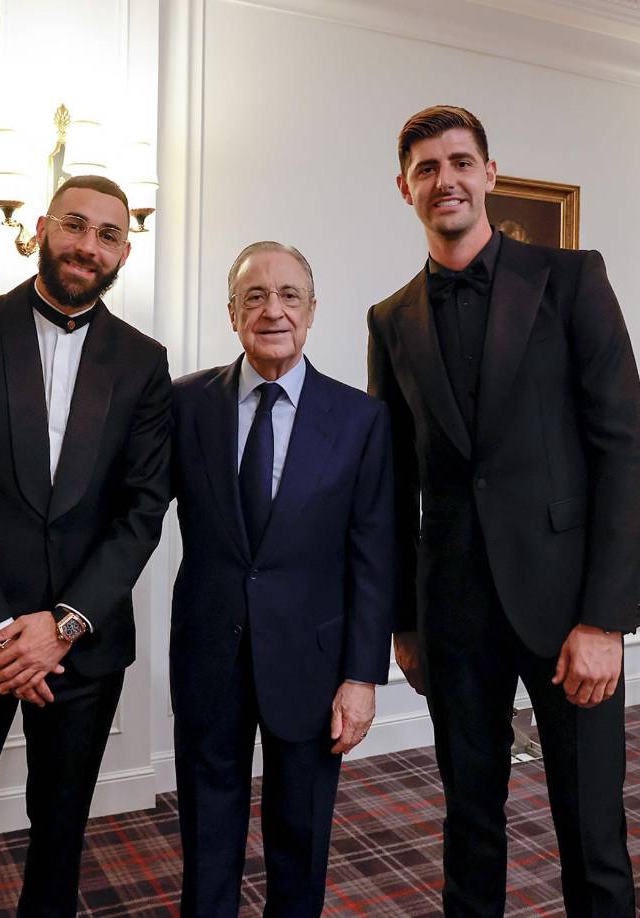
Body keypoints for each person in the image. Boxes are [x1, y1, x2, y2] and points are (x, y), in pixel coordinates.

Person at [367, 105, 640, 916]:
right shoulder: (389, 319)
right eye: (426, 168)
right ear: (405, 189)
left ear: (489, 174)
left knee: (592, 833)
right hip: (453, 615)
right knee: (469, 827)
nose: (444, 179)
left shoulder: (573, 279)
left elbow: (624, 452)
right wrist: (404, 622)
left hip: (569, 612)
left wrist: (606, 620)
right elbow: (393, 483)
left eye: (460, 162)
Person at [0, 174, 172, 916]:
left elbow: (143, 508)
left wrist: (63, 625)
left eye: (109, 234)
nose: (89, 245)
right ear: (44, 229)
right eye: (75, 224)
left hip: (81, 645)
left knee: (60, 838)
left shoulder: (145, 361)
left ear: (125, 252)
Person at [171, 241, 395, 917]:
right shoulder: (184, 404)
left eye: (289, 295)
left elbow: (374, 555)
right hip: (209, 652)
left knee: (300, 836)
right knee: (207, 833)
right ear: (232, 313)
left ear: (313, 310)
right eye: (255, 297)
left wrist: (362, 676)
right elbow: (134, 512)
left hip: (313, 663)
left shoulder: (360, 418)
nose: (273, 311)